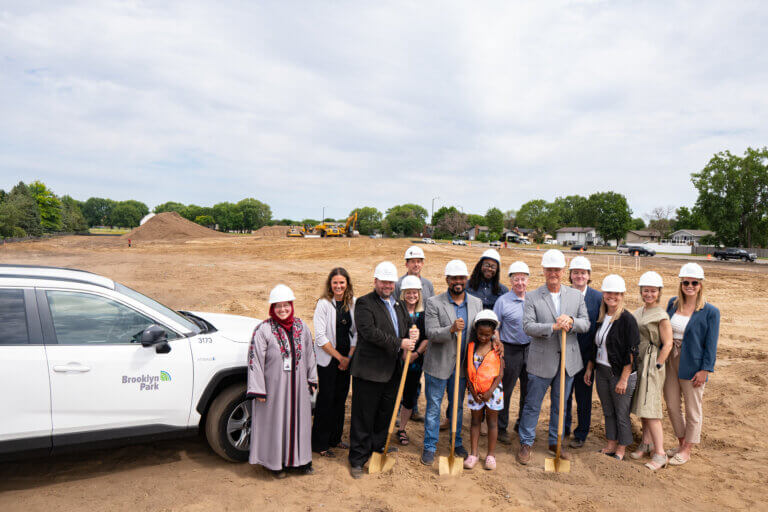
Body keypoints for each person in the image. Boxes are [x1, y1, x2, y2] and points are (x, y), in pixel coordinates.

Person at [517, 249, 589, 465]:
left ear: (562, 270)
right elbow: (528, 326)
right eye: (549, 269)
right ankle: (526, 442)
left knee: (561, 405)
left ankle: (555, 442)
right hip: (541, 360)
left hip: (567, 362)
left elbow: (586, 323)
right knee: (532, 404)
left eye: (556, 269)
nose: (553, 273)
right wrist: (553, 326)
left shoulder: (575, 295)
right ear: (544, 271)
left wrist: (572, 322)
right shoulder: (532, 296)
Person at [348, 261, 414, 479]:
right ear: (375, 281)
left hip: (392, 371)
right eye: (383, 281)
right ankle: (357, 458)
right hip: (369, 371)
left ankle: (377, 449)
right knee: (363, 416)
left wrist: (411, 335)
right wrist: (400, 343)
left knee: (384, 414)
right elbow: (369, 333)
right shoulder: (364, 303)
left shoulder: (399, 305)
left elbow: (404, 329)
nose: (387, 285)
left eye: (391, 282)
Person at [247, 284, 317, 478]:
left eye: (286, 305)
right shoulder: (263, 330)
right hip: (274, 390)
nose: (283, 309)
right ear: (272, 308)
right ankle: (274, 464)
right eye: (278, 306)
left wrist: (311, 378)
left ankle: (300, 462)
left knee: (299, 424)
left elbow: (310, 353)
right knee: (275, 424)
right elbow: (254, 360)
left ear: (292, 305)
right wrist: (258, 389)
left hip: (298, 388)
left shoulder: (302, 327)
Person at [421, 259, 483, 466]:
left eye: (461, 278)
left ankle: (456, 443)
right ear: (447, 280)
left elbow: (481, 332)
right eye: (454, 278)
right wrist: (450, 329)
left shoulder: (476, 303)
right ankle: (430, 446)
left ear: (466, 280)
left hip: (462, 367)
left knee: (456, 408)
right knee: (433, 407)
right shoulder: (434, 303)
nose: (458, 281)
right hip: (438, 365)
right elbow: (430, 333)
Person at [663, 262, 720, 466]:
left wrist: (705, 369)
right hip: (671, 360)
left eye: (694, 283)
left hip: (694, 365)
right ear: (681, 283)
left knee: (692, 408)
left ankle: (687, 449)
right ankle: (681, 442)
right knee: (671, 404)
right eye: (686, 282)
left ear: (700, 284)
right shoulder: (672, 303)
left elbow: (711, 344)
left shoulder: (710, 312)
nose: (690, 286)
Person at [584, 275, 640, 461]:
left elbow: (631, 352)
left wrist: (624, 379)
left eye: (616, 293)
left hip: (620, 374)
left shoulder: (627, 320)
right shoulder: (601, 317)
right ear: (603, 294)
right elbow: (596, 346)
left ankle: (622, 449)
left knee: (621, 413)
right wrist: (590, 368)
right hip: (602, 371)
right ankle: (610, 443)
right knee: (608, 411)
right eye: (608, 292)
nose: (612, 296)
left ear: (622, 295)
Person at [629, 271, 673, 470]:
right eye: (645, 290)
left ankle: (660, 453)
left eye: (653, 291)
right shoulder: (640, 311)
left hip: (652, 363)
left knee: (651, 407)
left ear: (659, 292)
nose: (649, 294)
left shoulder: (661, 316)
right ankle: (646, 443)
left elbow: (668, 343)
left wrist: (658, 364)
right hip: (640, 361)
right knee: (642, 404)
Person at [311, 268, 357, 458]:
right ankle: (320, 443)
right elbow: (320, 337)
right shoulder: (323, 304)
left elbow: (357, 333)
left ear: (347, 284)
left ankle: (335, 438)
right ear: (330, 284)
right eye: (335, 282)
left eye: (342, 282)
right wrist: (340, 358)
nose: (338, 286)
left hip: (347, 358)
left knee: (341, 398)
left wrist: (349, 357)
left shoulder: (353, 303)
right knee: (326, 399)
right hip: (329, 359)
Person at [563, 255, 603, 449]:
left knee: (583, 397)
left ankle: (581, 433)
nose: (579, 276)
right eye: (576, 273)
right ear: (570, 275)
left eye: (583, 273)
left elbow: (598, 331)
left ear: (589, 276)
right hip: (564, 355)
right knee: (563, 395)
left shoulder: (598, 298)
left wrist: (591, 363)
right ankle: (563, 429)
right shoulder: (562, 294)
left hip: (586, 357)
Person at [394, 245, 435, 421]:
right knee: (397, 375)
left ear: (423, 263)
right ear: (406, 264)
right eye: (412, 262)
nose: (416, 264)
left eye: (419, 261)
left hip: (421, 337)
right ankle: (396, 409)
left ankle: (412, 407)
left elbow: (431, 309)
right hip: (402, 337)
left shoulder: (428, 285)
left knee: (415, 377)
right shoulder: (398, 285)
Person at [492, 261, 531, 444]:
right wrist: (498, 343)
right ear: (511, 280)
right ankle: (501, 427)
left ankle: (521, 424)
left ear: (528, 281)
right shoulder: (503, 301)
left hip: (530, 350)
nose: (520, 283)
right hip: (510, 350)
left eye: (523, 279)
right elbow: (495, 327)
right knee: (506, 390)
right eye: (516, 279)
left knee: (528, 391)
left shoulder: (532, 300)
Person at [465, 310, 504, 470]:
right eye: (480, 334)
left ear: (493, 333)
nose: (483, 337)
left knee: (492, 423)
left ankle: (490, 455)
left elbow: (501, 372)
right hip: (475, 391)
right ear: (476, 331)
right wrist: (473, 391)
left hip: (493, 393)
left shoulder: (498, 348)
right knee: (475, 421)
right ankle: (474, 453)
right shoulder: (472, 347)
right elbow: (467, 370)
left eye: (487, 335)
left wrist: (490, 392)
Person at [396, 275, 429, 446]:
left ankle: (401, 428)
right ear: (403, 293)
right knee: (392, 393)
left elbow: (427, 337)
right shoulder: (396, 310)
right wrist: (403, 351)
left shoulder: (423, 315)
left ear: (419, 294)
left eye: (414, 292)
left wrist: (416, 354)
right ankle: (385, 425)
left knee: (409, 395)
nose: (412, 296)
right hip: (397, 360)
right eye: (408, 292)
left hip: (415, 362)